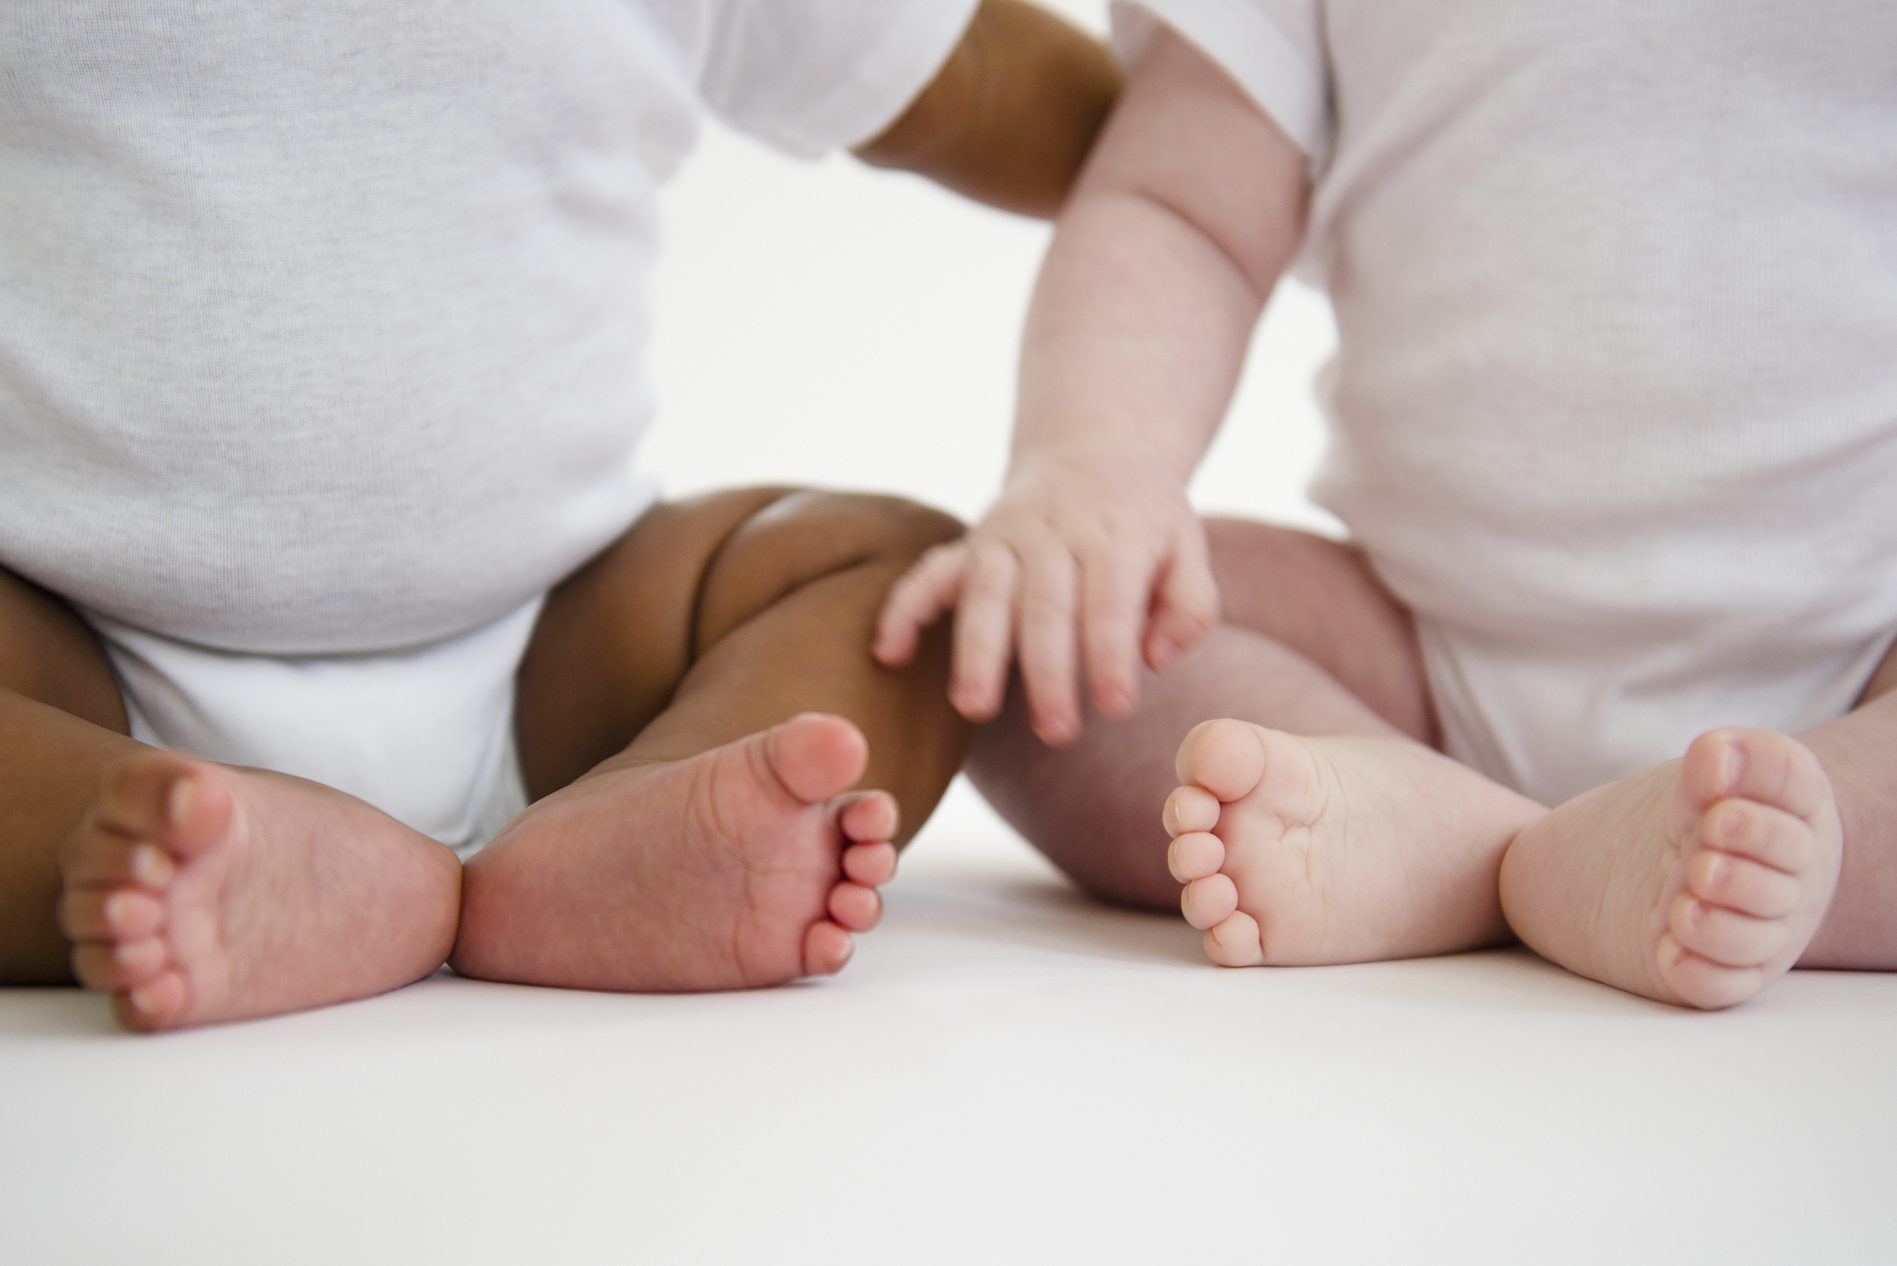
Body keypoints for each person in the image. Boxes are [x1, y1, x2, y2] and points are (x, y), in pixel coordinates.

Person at [0, 0, 1120, 1031]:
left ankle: (643, 820)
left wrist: (1207, 151)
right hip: (63, 645)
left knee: (893, 571)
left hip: (561, 647)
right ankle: (159, 837)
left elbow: (979, 80)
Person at [876, 0, 1897, 1008]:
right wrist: (1093, 456)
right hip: (1412, 657)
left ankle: (1814, 842)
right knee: (1036, 632)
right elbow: (1177, 207)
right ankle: (1445, 836)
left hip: (1865, 653)